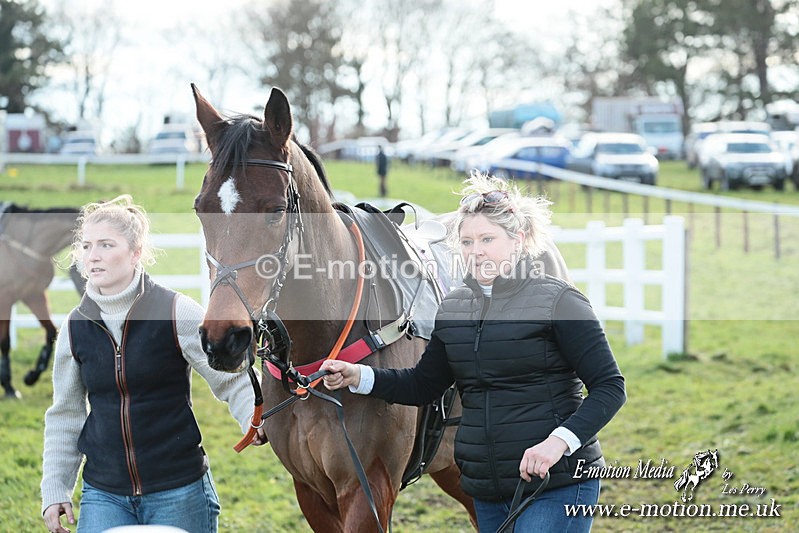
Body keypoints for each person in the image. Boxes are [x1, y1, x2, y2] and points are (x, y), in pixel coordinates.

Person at [321, 172, 626, 532]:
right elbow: (423, 385)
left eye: (487, 239)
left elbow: (610, 387)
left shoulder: (560, 301)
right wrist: (360, 376)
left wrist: (557, 444)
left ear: (519, 240)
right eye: (466, 241)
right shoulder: (453, 310)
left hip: (555, 482)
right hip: (488, 489)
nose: (475, 251)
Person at [41, 195, 266, 533]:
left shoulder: (176, 311)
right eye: (86, 246)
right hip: (104, 494)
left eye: (105, 244)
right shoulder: (74, 328)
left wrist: (254, 414)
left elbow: (231, 378)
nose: (93, 255)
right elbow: (65, 414)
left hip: (179, 491)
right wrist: (56, 488)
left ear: (135, 252)